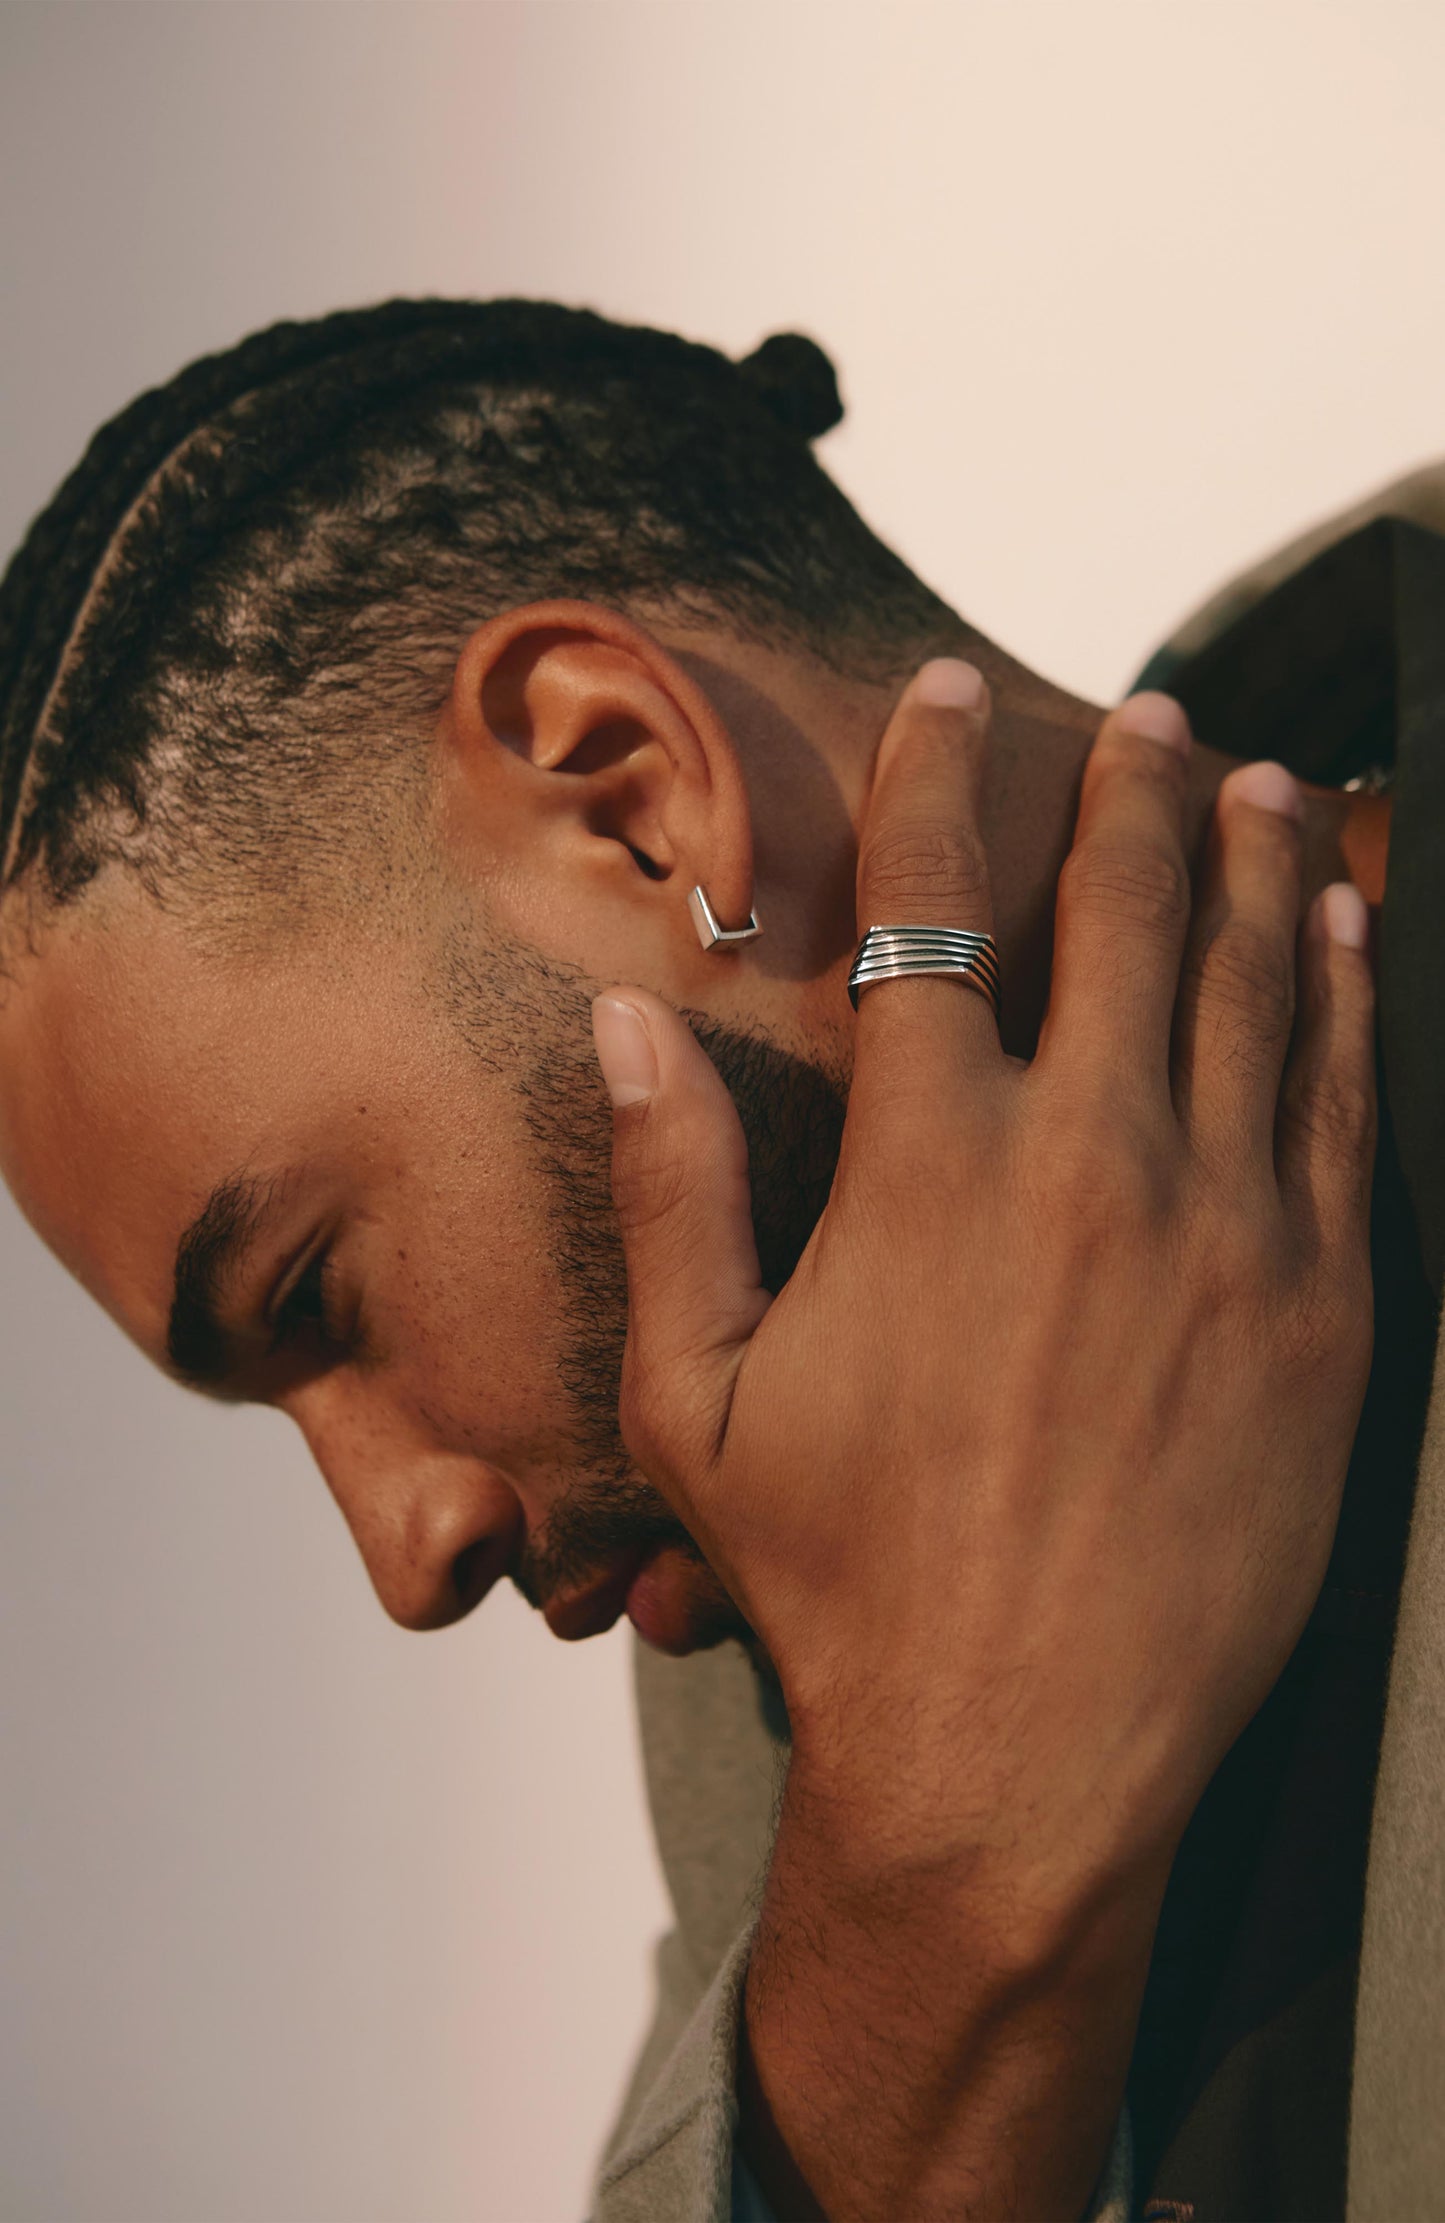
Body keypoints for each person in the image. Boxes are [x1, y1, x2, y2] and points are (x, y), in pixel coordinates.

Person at [0, 297, 1438, 2222]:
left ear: (627, 791)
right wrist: (936, 1883)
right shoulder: (772, 1700)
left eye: (312, 1299)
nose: (406, 1556)